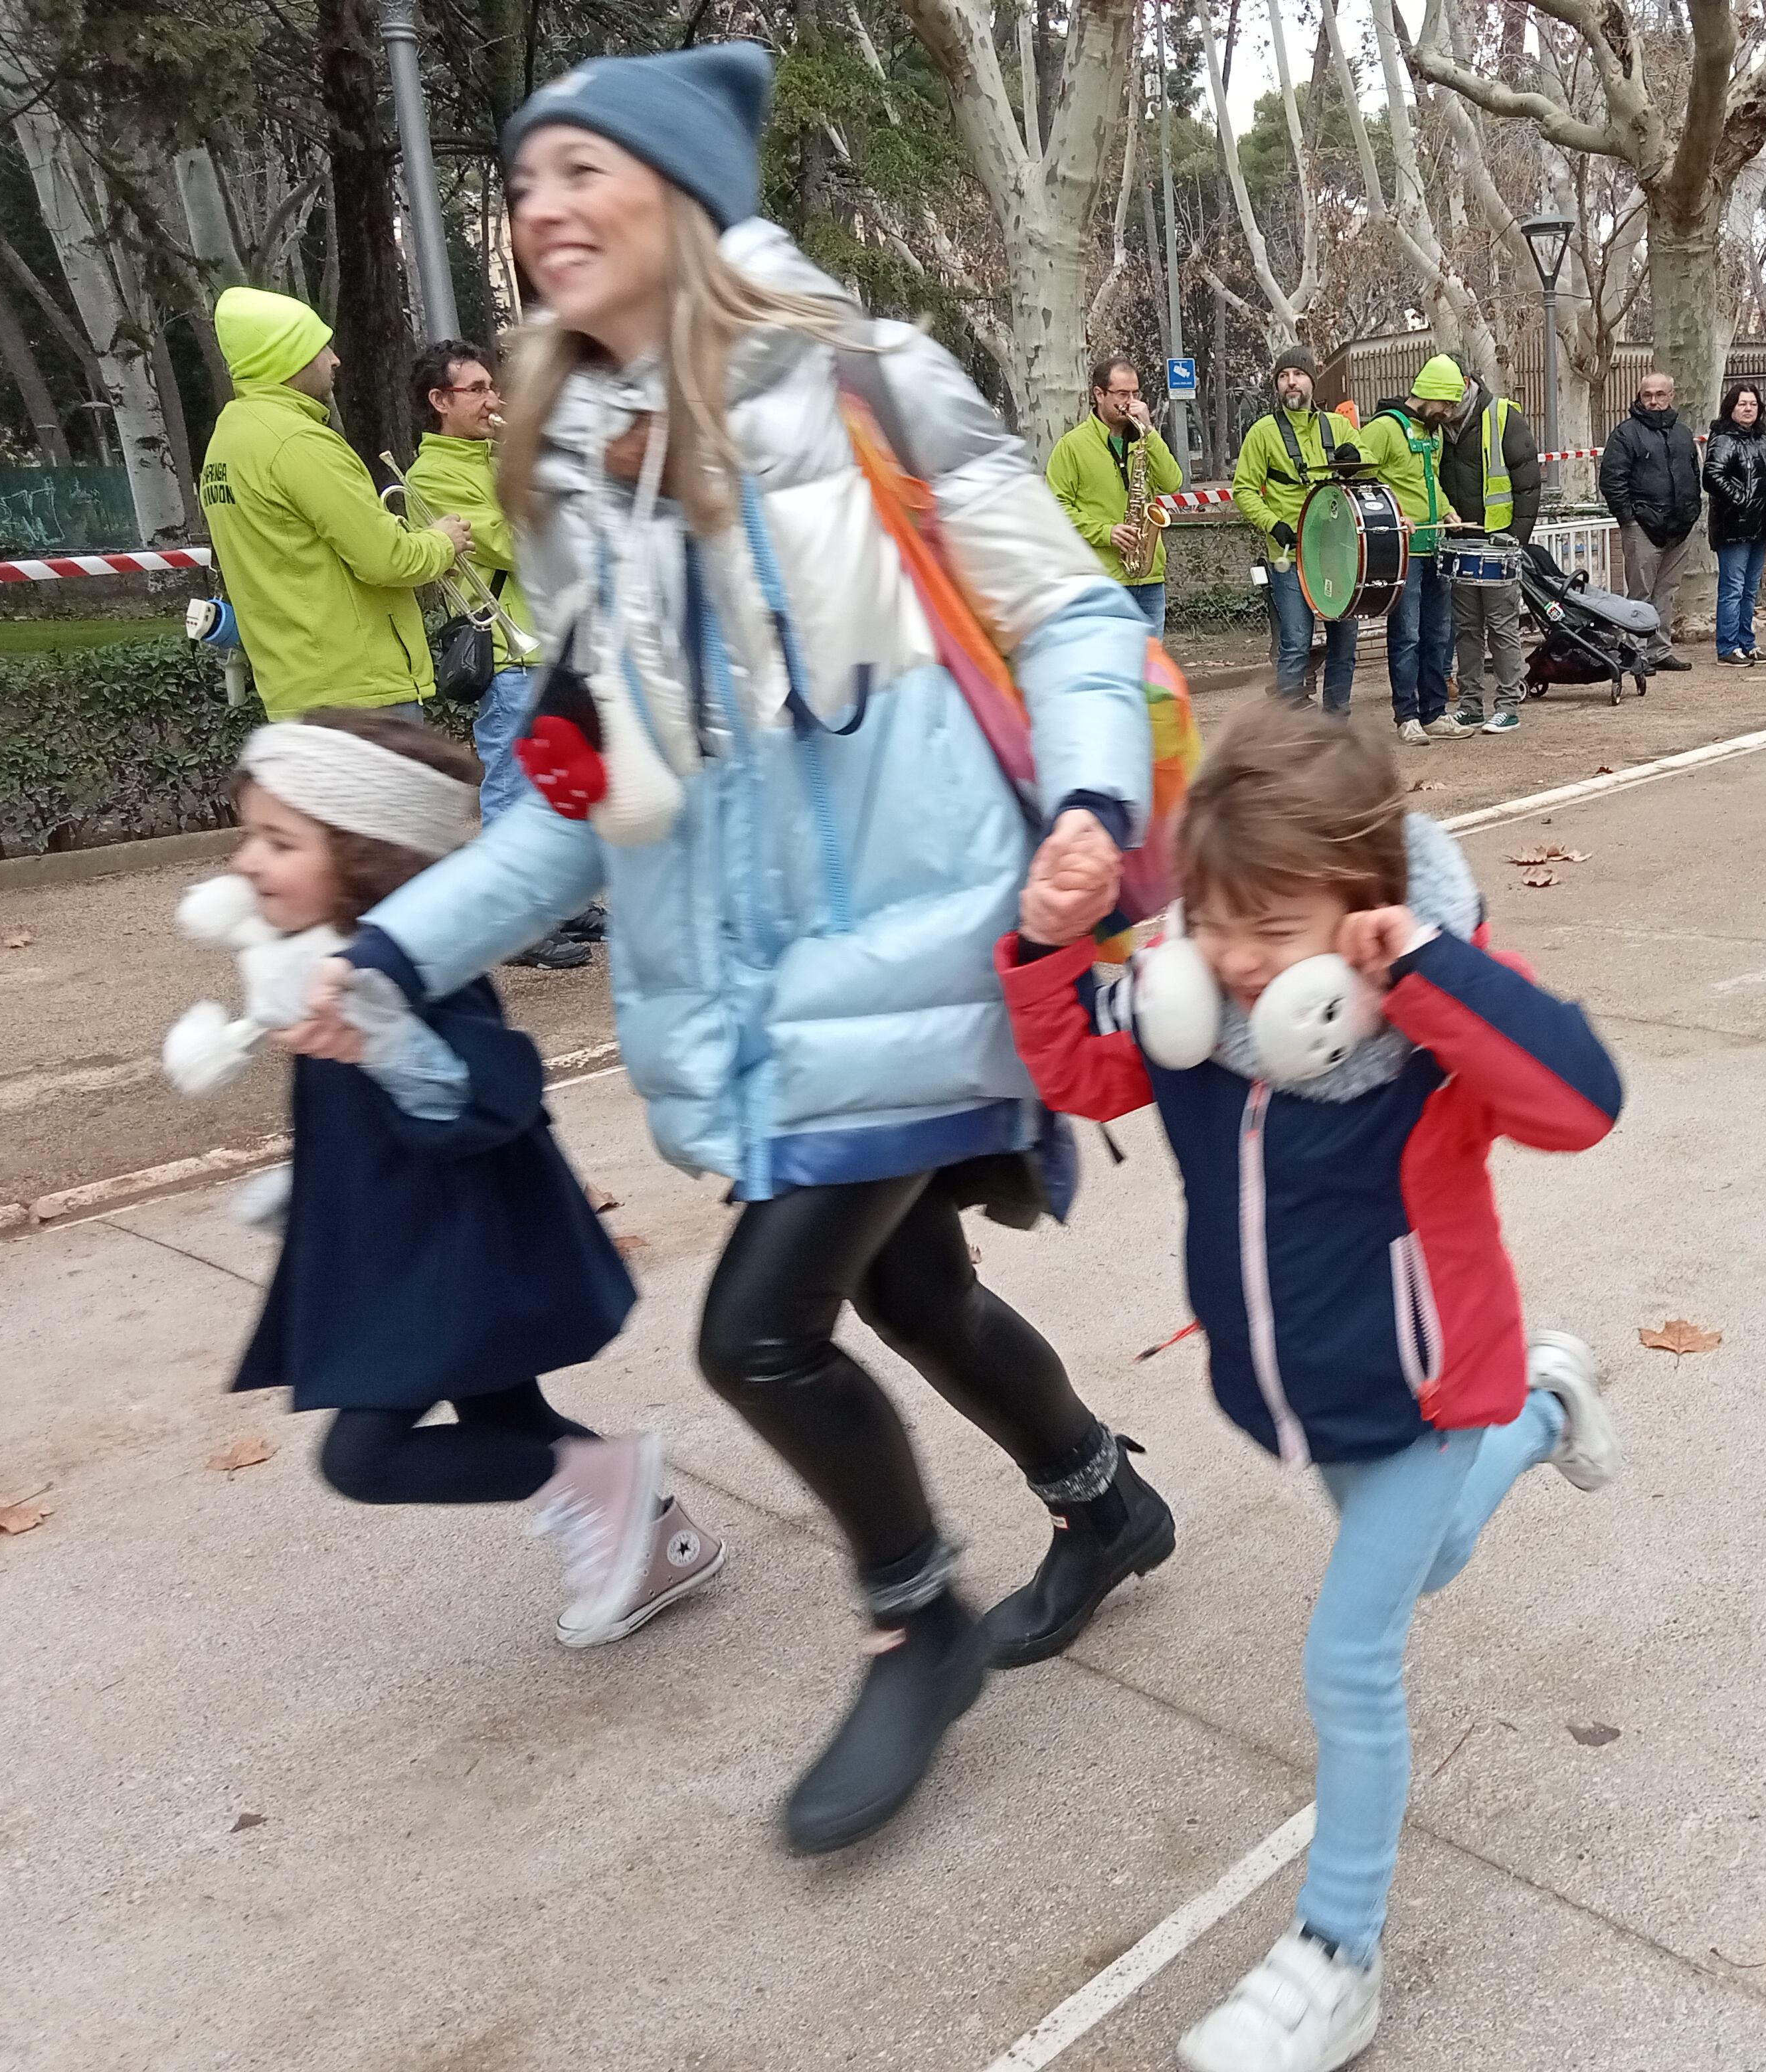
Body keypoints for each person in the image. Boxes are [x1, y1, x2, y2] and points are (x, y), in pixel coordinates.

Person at [294, 43, 1177, 1857]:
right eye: (523, 182)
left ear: (684, 193)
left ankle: (910, 1612)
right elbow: (580, 794)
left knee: (760, 1334)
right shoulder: (572, 464)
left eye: (581, 173)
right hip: (755, 992)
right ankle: (1102, 1505)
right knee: (909, 1293)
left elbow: (1074, 612)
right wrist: (389, 954)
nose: (541, 211)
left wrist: (1092, 805)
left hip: (931, 951)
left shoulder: (865, 383)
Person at [996, 703, 1623, 2072]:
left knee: (1350, 1656)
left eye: (1270, 934)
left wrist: (1435, 975)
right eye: (1215, 923)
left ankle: (1336, 1957)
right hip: (1303, 1400)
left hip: (1424, 1390)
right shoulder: (1199, 1021)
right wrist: (1047, 945)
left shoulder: (1427, 1041)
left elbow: (1583, 1103)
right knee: (1429, 1562)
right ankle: (1547, 1413)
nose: (1233, 963)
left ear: (1363, 918)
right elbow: (1072, 1067)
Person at [221, 710, 724, 1646]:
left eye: (279, 840)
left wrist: (385, 1037)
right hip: (417, 1248)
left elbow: (493, 1094)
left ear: (369, 856)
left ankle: (609, 1484)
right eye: (250, 834)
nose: (248, 861)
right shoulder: (332, 969)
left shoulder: (417, 974)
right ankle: (653, 1537)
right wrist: (306, 1189)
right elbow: (362, 1123)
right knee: (507, 1407)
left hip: (451, 1259)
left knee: (364, 1460)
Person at [404, 338, 599, 972]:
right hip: (509, 651)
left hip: (556, 640)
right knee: (514, 789)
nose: (494, 400)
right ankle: (517, 923)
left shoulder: (501, 455)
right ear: (440, 401)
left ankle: (562, 901)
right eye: (477, 389)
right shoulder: (433, 474)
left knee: (563, 783)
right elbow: (519, 543)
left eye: (494, 387)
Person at [198, 288, 471, 720]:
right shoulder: (297, 442)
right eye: (318, 346)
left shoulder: (227, 442)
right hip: (362, 693)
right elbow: (386, 559)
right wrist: (442, 541)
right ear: (286, 357)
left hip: (298, 691)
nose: (334, 358)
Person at [1233, 351, 1360, 715]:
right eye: (1284, 375)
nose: (1291, 381)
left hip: (1336, 551)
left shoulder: (1337, 427)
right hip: (1289, 554)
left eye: (1299, 374)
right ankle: (1288, 731)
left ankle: (1336, 723)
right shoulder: (1263, 432)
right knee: (1295, 643)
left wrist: (1353, 456)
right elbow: (1244, 489)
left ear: (1312, 382)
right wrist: (1275, 524)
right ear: (1276, 384)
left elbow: (1367, 463)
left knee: (1344, 641)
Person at [1358, 357, 1476, 742]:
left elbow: (1432, 483)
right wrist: (1395, 515)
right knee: (1406, 634)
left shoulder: (1434, 432)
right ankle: (1406, 715)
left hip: (1435, 546)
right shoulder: (1383, 430)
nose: (1449, 412)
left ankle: (1434, 712)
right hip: (1403, 552)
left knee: (1438, 634)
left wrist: (1446, 510)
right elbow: (1360, 480)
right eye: (1446, 404)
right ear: (1429, 395)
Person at [1433, 357, 1542, 729]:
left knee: (1502, 625)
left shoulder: (1502, 416)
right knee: (1466, 627)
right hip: (1459, 539)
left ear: (1464, 383)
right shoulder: (1437, 420)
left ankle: (1509, 703)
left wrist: (1516, 538)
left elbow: (1527, 480)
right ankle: (1471, 703)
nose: (1440, 406)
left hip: (1498, 541)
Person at [1049, 356, 1186, 632]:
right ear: (1099, 394)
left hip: (1148, 579)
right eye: (1122, 394)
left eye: (1135, 393)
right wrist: (1106, 532)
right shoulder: (1071, 446)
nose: (1131, 402)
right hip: (1101, 581)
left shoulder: (1143, 437)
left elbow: (1173, 482)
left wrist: (1149, 431)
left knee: (1150, 670)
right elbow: (1055, 509)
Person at [1598, 369, 1703, 670]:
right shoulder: (1626, 434)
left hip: (1679, 526)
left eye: (1660, 395)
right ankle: (1635, 654)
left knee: (1666, 593)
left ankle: (1659, 650)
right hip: (1642, 526)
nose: (1654, 401)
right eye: (1648, 395)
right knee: (1640, 595)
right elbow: (1612, 479)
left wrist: (1692, 513)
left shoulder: (1682, 433)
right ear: (1640, 396)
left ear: (1671, 396)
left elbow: (1693, 475)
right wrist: (1628, 519)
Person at [1703, 381, 1766, 664]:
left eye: (1753, 404)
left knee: (1750, 588)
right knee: (1733, 588)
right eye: (1742, 404)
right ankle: (1727, 646)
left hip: (1759, 524)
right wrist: (1743, 498)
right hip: (1734, 526)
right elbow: (1712, 476)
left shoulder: (1760, 439)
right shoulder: (1724, 439)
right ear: (1731, 408)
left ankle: (1747, 642)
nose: (1748, 409)